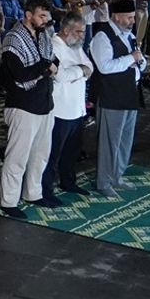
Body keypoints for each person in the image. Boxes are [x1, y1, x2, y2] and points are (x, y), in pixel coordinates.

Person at [0, 0, 58, 219]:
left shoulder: (43, 35)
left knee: (40, 154)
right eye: (41, 16)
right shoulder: (13, 39)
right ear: (28, 15)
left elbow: (54, 61)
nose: (45, 20)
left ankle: (33, 192)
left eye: (47, 16)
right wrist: (45, 68)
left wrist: (44, 68)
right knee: (17, 157)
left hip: (44, 102)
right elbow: (21, 75)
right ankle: (9, 200)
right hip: (22, 106)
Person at [90, 0, 145, 198]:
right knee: (109, 141)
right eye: (129, 17)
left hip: (130, 93)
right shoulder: (103, 37)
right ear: (116, 16)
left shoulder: (128, 35)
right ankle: (103, 181)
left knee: (124, 140)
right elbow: (105, 67)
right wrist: (130, 59)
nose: (132, 21)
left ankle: (117, 176)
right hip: (112, 96)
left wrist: (138, 62)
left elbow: (141, 58)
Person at [43, 12, 92, 200]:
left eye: (83, 32)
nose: (82, 36)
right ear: (66, 30)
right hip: (60, 110)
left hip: (77, 109)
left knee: (72, 152)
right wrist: (80, 70)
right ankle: (46, 189)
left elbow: (91, 67)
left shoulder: (76, 46)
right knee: (52, 154)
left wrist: (77, 71)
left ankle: (68, 182)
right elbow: (60, 76)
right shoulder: (54, 46)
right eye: (79, 32)